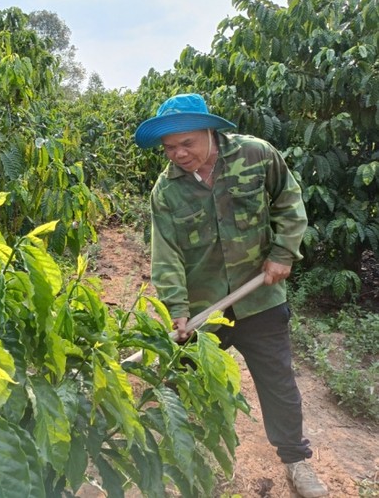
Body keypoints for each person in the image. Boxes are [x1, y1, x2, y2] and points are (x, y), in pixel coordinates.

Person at [134, 93, 328, 498]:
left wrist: (282, 253)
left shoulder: (257, 154)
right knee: (186, 384)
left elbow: (289, 202)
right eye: (169, 148)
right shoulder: (165, 192)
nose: (179, 154)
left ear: (209, 131)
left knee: (277, 382)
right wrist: (178, 311)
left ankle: (296, 461)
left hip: (261, 299)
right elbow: (165, 255)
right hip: (205, 308)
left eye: (186, 143)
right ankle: (186, 462)